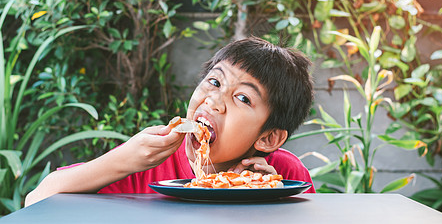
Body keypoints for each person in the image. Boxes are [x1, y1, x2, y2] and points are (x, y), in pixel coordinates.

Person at [25, 37, 315, 206]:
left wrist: (270, 201)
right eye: (214, 81)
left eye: (242, 99)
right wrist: (125, 159)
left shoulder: (283, 176)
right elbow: (37, 201)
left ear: (268, 138)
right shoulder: (147, 163)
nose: (214, 100)